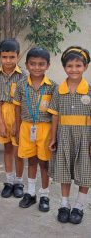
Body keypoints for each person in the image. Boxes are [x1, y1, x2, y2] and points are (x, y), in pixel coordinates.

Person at [48, 46, 91, 224]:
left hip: (84, 138)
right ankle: (64, 205)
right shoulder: (59, 90)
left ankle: (79, 206)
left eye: (78, 65)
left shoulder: (89, 90)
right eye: (70, 66)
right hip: (64, 137)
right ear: (64, 67)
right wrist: (52, 138)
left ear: (86, 67)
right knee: (64, 171)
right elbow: (55, 116)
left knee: (85, 172)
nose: (74, 69)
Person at [13, 47, 56, 212]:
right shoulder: (21, 85)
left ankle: (45, 195)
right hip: (26, 127)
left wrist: (53, 135)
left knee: (44, 164)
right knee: (30, 161)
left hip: (45, 129)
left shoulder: (53, 87)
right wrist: (17, 129)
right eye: (33, 64)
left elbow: (54, 115)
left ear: (48, 65)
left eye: (41, 64)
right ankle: (30, 193)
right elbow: (17, 108)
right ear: (26, 64)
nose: (37, 67)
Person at [0, 39, 25, 198]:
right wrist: (0, 122)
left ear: (18, 56)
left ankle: (19, 182)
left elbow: (24, 101)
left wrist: (18, 124)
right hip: (3, 113)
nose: (8, 61)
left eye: (12, 57)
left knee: (19, 151)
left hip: (19, 114)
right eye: (5, 57)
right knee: (7, 150)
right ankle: (9, 181)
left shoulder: (23, 75)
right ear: (0, 57)